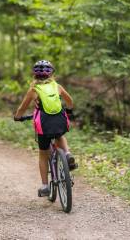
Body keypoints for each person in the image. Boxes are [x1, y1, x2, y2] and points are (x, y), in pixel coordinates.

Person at [13, 60, 76, 197]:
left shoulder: (33, 90)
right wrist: (69, 110)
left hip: (44, 123)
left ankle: (45, 186)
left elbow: (22, 108)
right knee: (60, 135)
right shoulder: (57, 86)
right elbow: (70, 101)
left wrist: (17, 117)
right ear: (51, 74)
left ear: (34, 75)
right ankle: (67, 154)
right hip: (59, 120)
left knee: (43, 153)